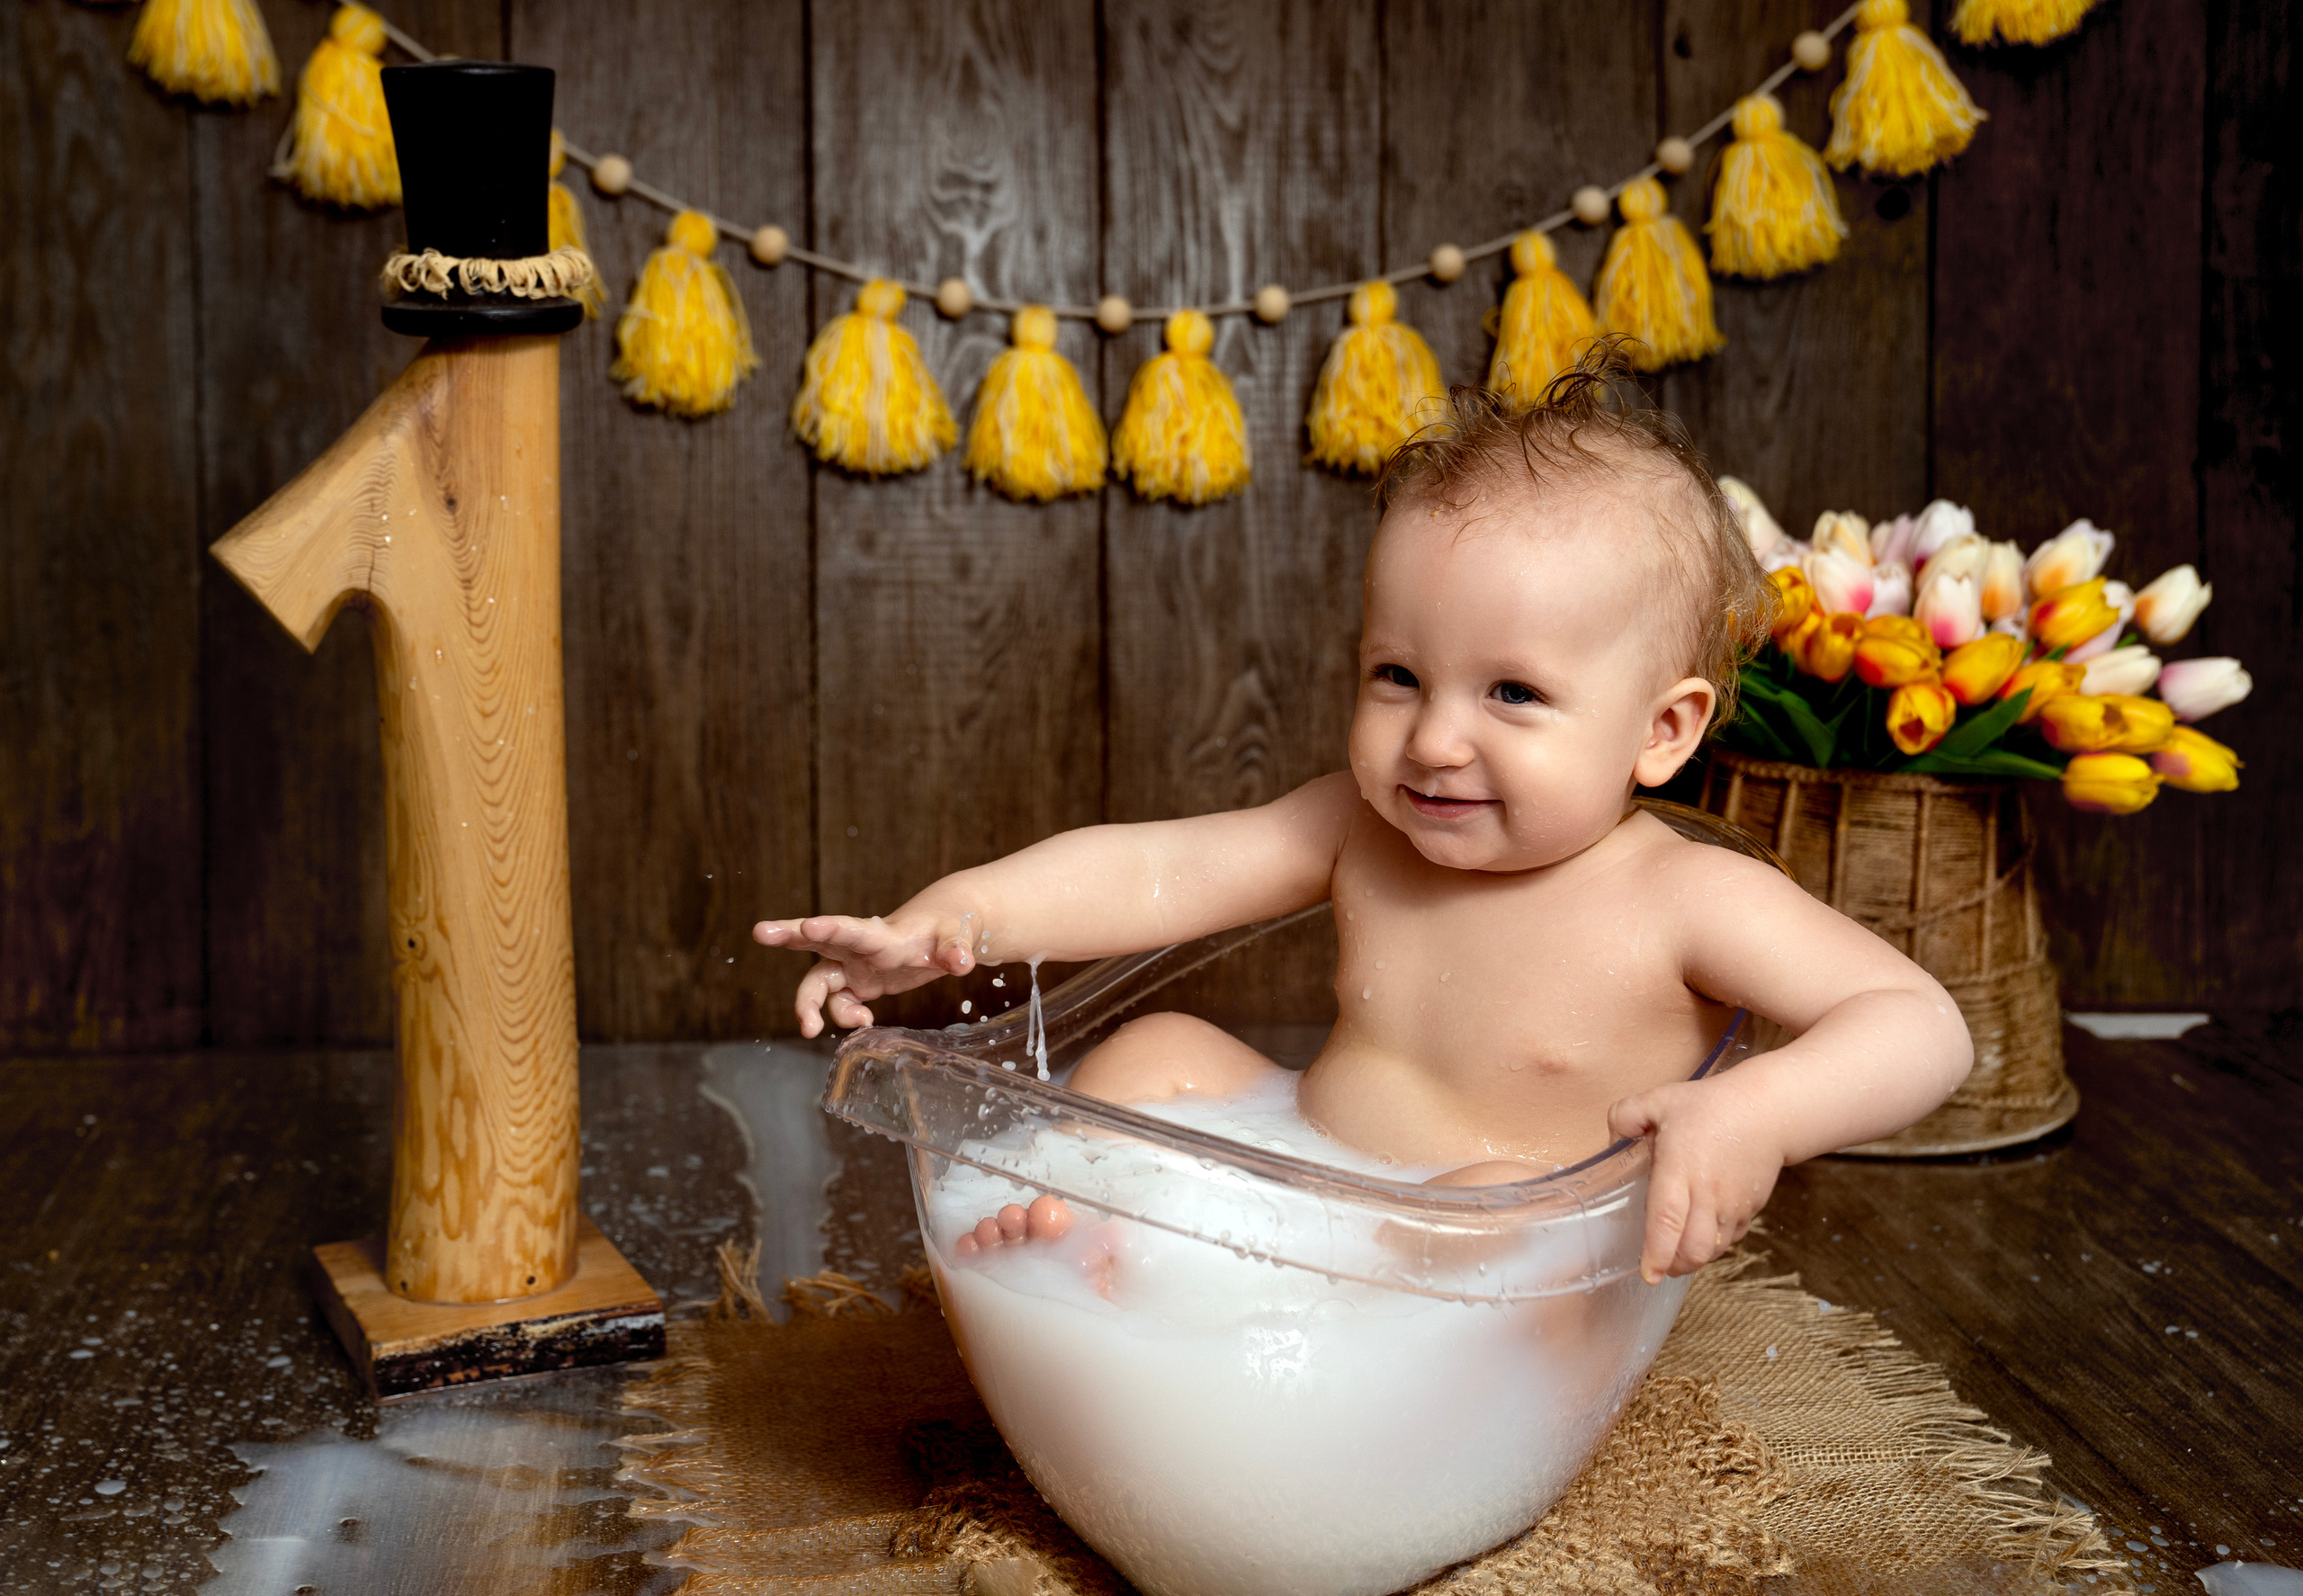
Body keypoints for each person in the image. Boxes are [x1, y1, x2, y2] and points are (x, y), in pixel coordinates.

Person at [755, 357, 1972, 1287]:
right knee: (1154, 1047)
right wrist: (956, 917)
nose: (1436, 738)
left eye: (1513, 693)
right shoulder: (1362, 826)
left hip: (1480, 1251)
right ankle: (1114, 1248)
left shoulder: (1687, 899)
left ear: (1663, 730)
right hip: (1298, 1155)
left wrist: (1753, 1108)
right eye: (1398, 676)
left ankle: (1180, 1290)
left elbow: (1919, 1025)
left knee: (1497, 1207)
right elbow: (1160, 867)